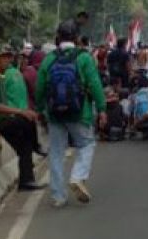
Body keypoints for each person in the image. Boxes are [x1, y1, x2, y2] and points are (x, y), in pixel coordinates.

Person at [36, 21, 106, 208]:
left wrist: (40, 110)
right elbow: (95, 85)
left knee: (56, 153)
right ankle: (77, 177)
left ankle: (58, 196)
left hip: (54, 114)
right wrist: (102, 108)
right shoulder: (84, 58)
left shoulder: (49, 59)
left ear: (58, 37)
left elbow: (40, 88)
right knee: (87, 143)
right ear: (76, 38)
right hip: (79, 112)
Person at [0, 46, 44, 192]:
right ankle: (34, 149)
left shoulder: (1, 76)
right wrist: (20, 111)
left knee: (25, 139)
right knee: (25, 122)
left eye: (9, 57)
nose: (7, 60)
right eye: (3, 57)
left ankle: (26, 179)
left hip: (1, 118)